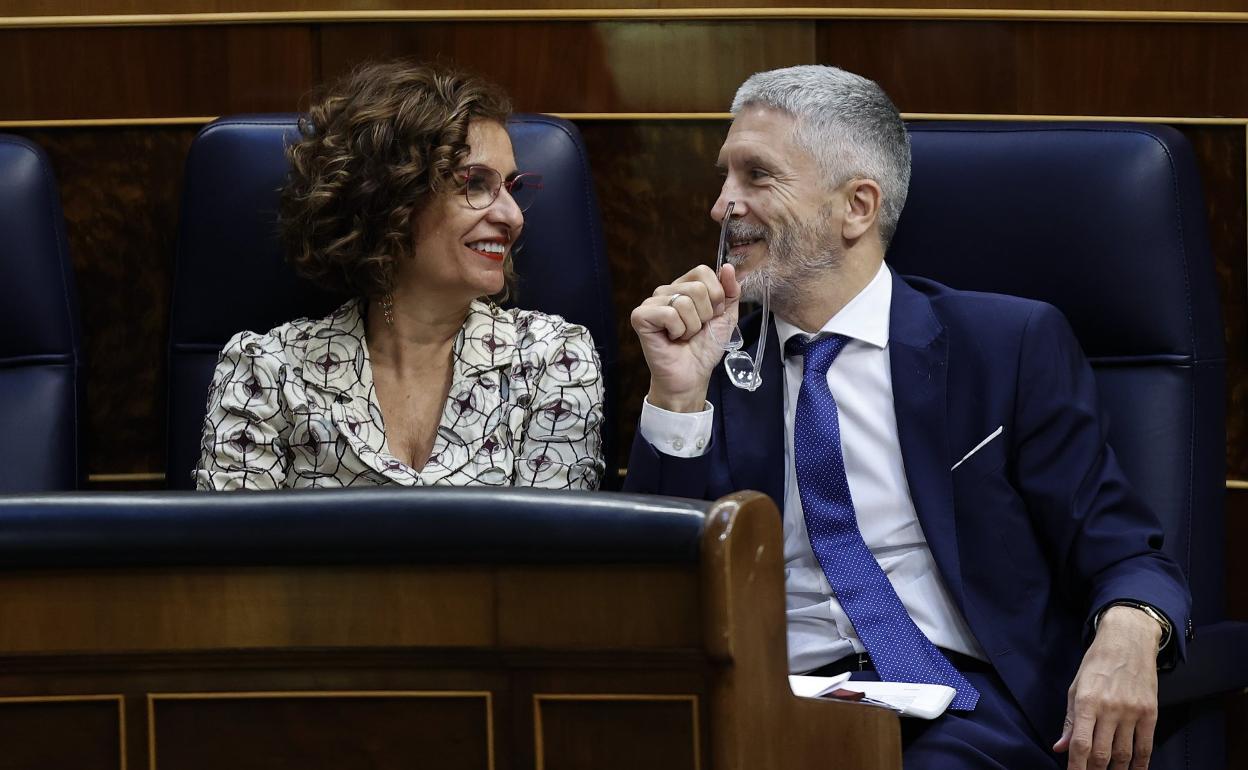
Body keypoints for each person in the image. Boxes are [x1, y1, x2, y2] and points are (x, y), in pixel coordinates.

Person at [623, 64, 1190, 770]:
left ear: (857, 206)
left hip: (963, 704)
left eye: (756, 177)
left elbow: (1124, 549)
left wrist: (1128, 638)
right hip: (766, 702)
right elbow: (649, 590)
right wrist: (676, 396)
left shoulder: (1003, 346)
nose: (721, 206)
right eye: (724, 177)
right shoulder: (710, 362)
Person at [195, 60, 604, 491]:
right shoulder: (269, 372)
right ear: (391, 198)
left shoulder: (551, 359)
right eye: (476, 183)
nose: (512, 216)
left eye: (512, 187)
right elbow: (231, 553)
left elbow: (556, 552)